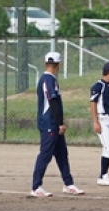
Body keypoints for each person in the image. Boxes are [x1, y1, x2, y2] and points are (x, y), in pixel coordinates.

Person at [31, 52, 85, 197]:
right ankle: (36, 186)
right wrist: (60, 123)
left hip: (51, 122)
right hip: (49, 123)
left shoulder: (45, 78)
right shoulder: (49, 79)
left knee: (62, 154)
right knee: (45, 154)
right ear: (58, 65)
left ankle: (68, 184)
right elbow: (53, 101)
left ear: (46, 63)